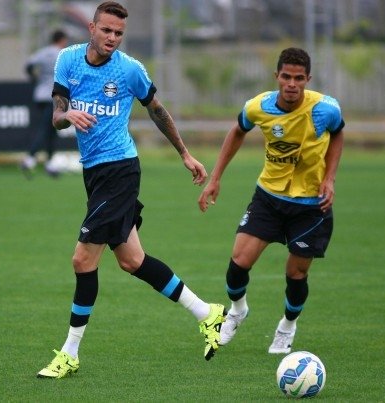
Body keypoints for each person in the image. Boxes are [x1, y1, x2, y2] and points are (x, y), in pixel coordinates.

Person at [36, 1, 226, 379]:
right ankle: (208, 313)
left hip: (121, 171)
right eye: (106, 30)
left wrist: (186, 154)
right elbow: (56, 117)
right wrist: (66, 115)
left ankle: (70, 354)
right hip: (95, 175)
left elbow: (157, 110)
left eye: (119, 33)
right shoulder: (68, 61)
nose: (112, 38)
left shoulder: (130, 70)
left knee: (82, 261)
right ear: (91, 27)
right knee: (132, 261)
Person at [198, 47, 345, 354]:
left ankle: (287, 326)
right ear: (277, 76)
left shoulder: (326, 109)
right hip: (268, 198)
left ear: (308, 79)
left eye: (299, 78)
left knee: (296, 274)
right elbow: (237, 131)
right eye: (287, 77)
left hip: (310, 206)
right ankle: (237, 310)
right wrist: (215, 177)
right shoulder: (259, 107)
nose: (292, 84)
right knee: (238, 263)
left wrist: (329, 178)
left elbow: (337, 134)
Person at [20, 29, 69, 178]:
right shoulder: (62, 54)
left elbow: (28, 65)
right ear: (62, 40)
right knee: (46, 129)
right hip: (54, 97)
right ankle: (29, 159)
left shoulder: (43, 52)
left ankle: (50, 164)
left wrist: (35, 79)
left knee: (51, 130)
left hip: (40, 94)